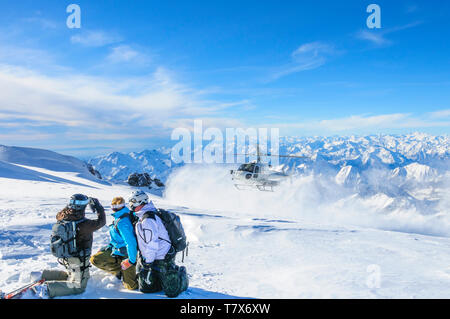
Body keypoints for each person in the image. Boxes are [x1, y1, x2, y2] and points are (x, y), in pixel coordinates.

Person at [31, 194, 106, 298]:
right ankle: (47, 289)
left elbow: (63, 212)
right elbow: (102, 222)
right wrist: (98, 206)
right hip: (78, 258)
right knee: (78, 285)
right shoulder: (84, 224)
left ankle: (41, 275)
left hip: (66, 255)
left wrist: (70, 205)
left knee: (71, 275)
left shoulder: (62, 217)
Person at [128, 190, 188, 297]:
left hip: (162, 257)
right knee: (146, 289)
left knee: (172, 292)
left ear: (140, 202)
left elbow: (152, 244)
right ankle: (160, 279)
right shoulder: (142, 217)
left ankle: (180, 274)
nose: (131, 205)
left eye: (133, 201)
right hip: (150, 257)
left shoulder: (148, 220)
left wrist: (148, 263)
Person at [90, 197, 138, 290]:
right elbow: (116, 240)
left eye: (118, 205)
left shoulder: (123, 221)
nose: (115, 207)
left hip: (127, 255)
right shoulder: (118, 218)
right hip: (116, 252)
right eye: (113, 205)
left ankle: (136, 272)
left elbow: (131, 243)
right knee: (95, 259)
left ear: (123, 205)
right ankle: (119, 271)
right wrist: (106, 248)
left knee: (131, 286)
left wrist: (131, 261)